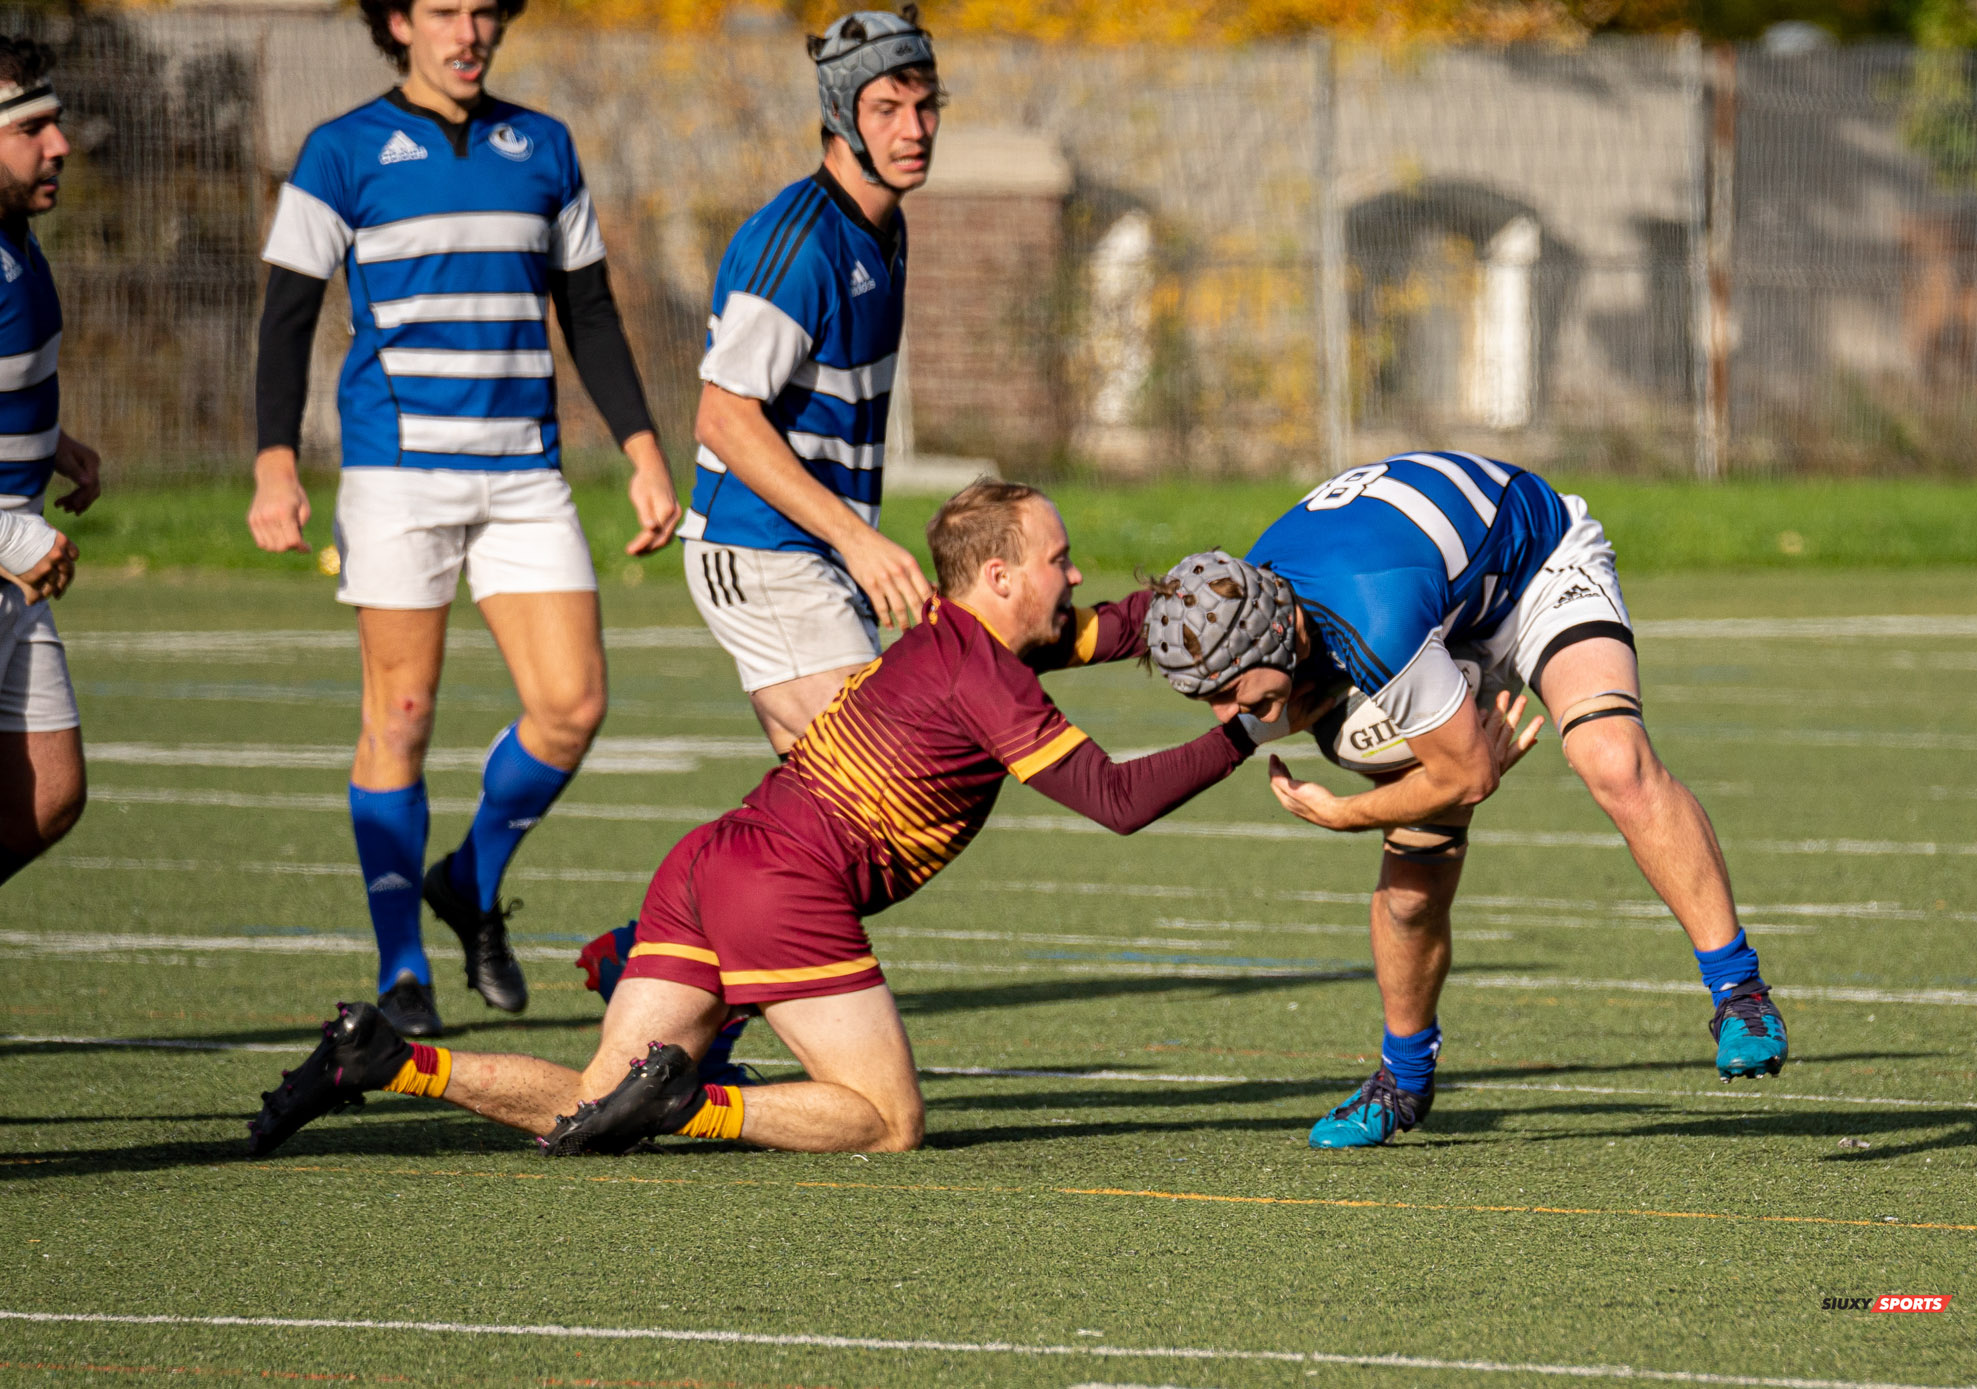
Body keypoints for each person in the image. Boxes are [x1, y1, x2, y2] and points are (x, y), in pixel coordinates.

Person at [248, 481, 1281, 1158]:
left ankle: (388, 1061)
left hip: (709, 861)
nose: (1076, 575)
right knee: (885, 1124)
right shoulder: (993, 682)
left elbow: (1115, 628)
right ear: (1001, 577)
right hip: (783, 890)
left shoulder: (955, 639)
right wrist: (1244, 731)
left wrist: (1243, 598)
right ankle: (693, 1103)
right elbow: (1116, 799)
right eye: (1060, 560)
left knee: (591, 1101)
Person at [246, 0, 680, 1037]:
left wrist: (641, 450)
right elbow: (285, 316)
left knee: (571, 705)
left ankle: (468, 879)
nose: (468, 30)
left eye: (485, 10)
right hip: (396, 476)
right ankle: (404, 972)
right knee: (399, 718)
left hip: (524, 475)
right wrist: (273, 465)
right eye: (444, 10)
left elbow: (588, 311)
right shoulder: (341, 150)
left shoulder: (545, 147)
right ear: (397, 22)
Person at [1146, 451, 1788, 1150]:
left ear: (1276, 635)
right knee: (1413, 889)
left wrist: (1342, 812)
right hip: (1441, 611)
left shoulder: (1371, 619)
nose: (1222, 713)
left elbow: (1469, 777)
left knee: (1612, 758)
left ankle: (1740, 993)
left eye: (1228, 689)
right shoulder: (1257, 604)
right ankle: (1403, 1081)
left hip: (1536, 568)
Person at [680, 7, 940, 756]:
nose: (914, 129)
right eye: (887, 109)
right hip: (761, 548)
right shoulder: (800, 246)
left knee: (826, 823)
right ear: (839, 114)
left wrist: (851, 544)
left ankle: (721, 880)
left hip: (814, 551)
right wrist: (858, 540)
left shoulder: (884, 227)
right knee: (888, 778)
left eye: (925, 106)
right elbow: (722, 419)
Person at [0, 38, 97, 888]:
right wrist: (8, 533)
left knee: (50, 791)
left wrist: (50, 441)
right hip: (4, 548)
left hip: (13, 568)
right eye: (33, 127)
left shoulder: (17, 240)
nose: (59, 144)